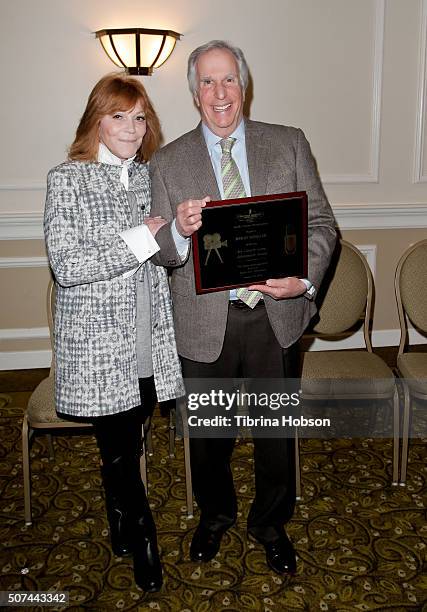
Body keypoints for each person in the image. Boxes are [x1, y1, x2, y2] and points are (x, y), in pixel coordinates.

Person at [149, 40, 337, 575]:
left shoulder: (289, 143)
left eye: (228, 79)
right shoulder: (168, 160)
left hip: (274, 317)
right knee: (209, 435)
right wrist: (179, 233)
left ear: (244, 84)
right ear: (194, 93)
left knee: (276, 433)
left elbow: (322, 226)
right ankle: (215, 515)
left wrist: (301, 280)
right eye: (207, 82)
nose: (219, 92)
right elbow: (159, 249)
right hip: (205, 322)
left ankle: (270, 522)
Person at [44, 73, 184, 593]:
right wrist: (139, 239)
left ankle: (120, 518)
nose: (131, 127)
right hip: (100, 345)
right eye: (119, 116)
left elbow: (165, 253)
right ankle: (143, 535)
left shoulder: (150, 176)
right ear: (96, 120)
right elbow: (67, 264)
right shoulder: (68, 178)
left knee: (127, 439)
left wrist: (179, 235)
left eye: (140, 117)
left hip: (150, 335)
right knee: (121, 442)